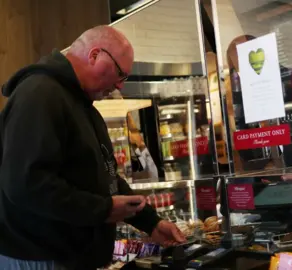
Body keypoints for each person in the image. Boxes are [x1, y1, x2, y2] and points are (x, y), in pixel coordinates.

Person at [0, 25, 185, 270]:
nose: (120, 86)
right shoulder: (40, 94)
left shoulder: (83, 105)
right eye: (120, 74)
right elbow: (26, 184)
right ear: (95, 55)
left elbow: (104, 178)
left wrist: (150, 221)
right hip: (42, 257)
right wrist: (103, 210)